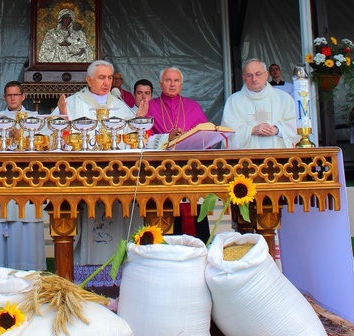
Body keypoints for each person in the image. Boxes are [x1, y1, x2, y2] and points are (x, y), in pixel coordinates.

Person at [52, 60, 144, 286]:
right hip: (86, 180)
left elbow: (132, 140)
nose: (106, 82)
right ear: (89, 79)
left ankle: (120, 279)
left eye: (109, 78)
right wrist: (63, 118)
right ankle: (85, 278)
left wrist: (137, 120)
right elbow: (53, 134)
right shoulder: (73, 103)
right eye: (101, 77)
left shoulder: (121, 106)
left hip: (116, 180)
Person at [0, 81, 47, 271]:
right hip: (3, 178)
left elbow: (44, 144)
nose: (12, 98)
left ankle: (29, 269)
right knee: (1, 218)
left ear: (23, 96)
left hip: (27, 179)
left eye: (16, 95)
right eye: (9, 95)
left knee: (27, 220)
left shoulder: (35, 119)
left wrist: (21, 136)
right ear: (4, 98)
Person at [146, 67, 210, 242]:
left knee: (194, 217)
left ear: (181, 84)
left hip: (189, 171)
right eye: (168, 80)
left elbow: (205, 136)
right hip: (160, 172)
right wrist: (167, 138)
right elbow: (142, 137)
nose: (172, 84)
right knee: (164, 218)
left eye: (176, 81)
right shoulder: (150, 107)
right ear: (160, 84)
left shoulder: (193, 106)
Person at [221, 58, 300, 148]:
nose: (254, 79)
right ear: (243, 77)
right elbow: (227, 133)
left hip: (279, 158)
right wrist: (252, 130)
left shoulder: (283, 98)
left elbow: (296, 124)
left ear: (266, 75)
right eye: (249, 75)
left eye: (258, 74)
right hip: (246, 160)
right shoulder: (234, 101)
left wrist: (277, 129)